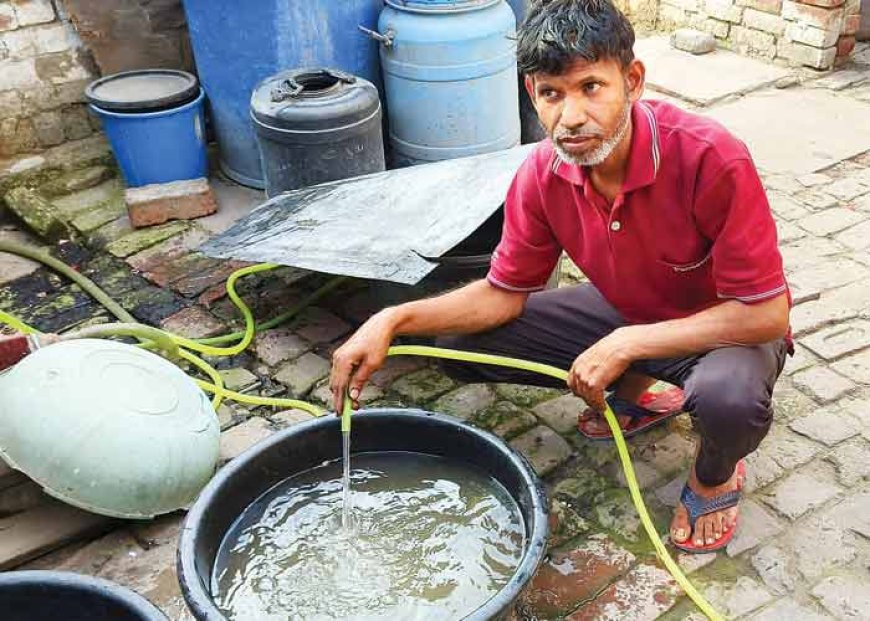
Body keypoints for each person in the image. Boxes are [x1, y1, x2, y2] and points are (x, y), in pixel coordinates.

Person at [330, 0, 791, 554]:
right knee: (455, 341)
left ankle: (716, 474)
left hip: (725, 331)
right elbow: (503, 295)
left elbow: (767, 312)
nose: (571, 116)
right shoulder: (541, 175)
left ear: (633, 80)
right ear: (533, 96)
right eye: (552, 93)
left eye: (591, 87)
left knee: (728, 400)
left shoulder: (711, 158)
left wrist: (628, 341)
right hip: (630, 310)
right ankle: (640, 392)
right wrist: (392, 318)